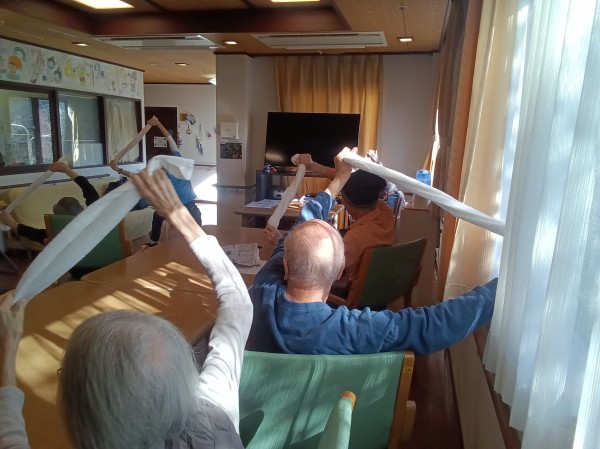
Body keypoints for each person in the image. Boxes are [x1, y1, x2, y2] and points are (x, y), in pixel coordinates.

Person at [0, 169, 252, 448]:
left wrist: (8, 350)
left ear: (76, 414)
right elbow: (238, 304)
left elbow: (9, 437)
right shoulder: (214, 415)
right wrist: (180, 215)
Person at [249, 146, 497, 355]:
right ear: (338, 270)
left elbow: (304, 221)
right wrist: (496, 291)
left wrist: (338, 179)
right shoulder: (352, 330)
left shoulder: (261, 291)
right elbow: (433, 324)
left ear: (285, 265)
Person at [265, 152, 395, 286]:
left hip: (338, 289)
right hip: (374, 287)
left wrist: (282, 243)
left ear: (346, 201)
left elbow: (311, 270)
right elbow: (356, 186)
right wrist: (314, 166)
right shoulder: (386, 213)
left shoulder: (354, 239)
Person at [111, 116, 202, 243]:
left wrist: (118, 169)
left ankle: (154, 242)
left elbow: (136, 176)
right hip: (188, 209)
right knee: (192, 235)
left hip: (179, 210)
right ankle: (156, 242)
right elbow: (171, 141)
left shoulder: (159, 176)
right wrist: (158, 124)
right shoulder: (178, 164)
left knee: (159, 218)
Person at [0, 161, 100, 244]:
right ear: (81, 208)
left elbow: (33, 233)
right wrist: (66, 170)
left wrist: (11, 223)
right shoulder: (95, 216)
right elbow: (89, 189)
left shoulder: (58, 234)